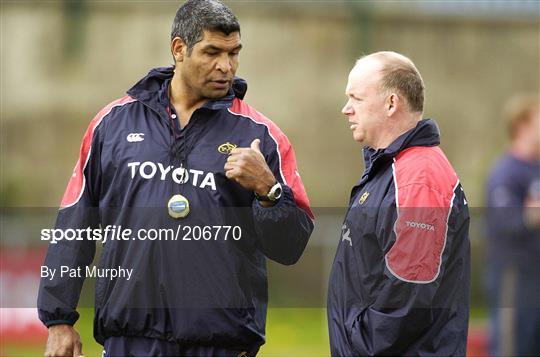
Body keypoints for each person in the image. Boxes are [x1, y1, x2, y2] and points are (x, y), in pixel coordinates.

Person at [37, 1, 314, 356]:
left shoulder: (261, 135)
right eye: (212, 52)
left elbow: (291, 247)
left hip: (221, 344)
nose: (226, 66)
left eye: (234, 53)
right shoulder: (113, 124)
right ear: (179, 49)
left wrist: (269, 190)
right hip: (130, 339)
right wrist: (59, 319)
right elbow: (75, 224)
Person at [327, 51, 470, 356]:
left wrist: (359, 343)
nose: (346, 109)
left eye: (356, 98)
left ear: (391, 103)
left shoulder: (419, 178)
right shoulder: (390, 169)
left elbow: (409, 292)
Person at [485, 95, 540, 357]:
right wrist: (530, 216)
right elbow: (505, 222)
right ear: (522, 125)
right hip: (514, 276)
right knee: (511, 348)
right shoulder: (505, 171)